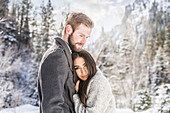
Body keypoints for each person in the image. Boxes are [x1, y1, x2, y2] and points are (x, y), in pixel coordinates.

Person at [38, 13, 94, 113]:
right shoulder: (56, 56)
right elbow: (52, 107)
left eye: (86, 37)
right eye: (81, 35)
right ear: (68, 30)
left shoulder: (67, 55)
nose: (83, 41)